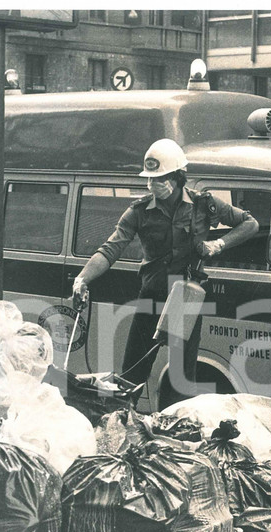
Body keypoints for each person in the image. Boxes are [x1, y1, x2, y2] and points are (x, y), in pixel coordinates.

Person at [71, 138, 259, 395]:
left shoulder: (204, 204)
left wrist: (218, 244)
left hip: (186, 297)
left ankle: (177, 420)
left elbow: (250, 224)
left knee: (183, 377)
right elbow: (110, 248)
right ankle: (124, 415)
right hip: (153, 294)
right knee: (132, 372)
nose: (153, 184)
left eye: (160, 178)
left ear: (178, 177)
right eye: (150, 178)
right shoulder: (139, 211)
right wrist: (82, 279)